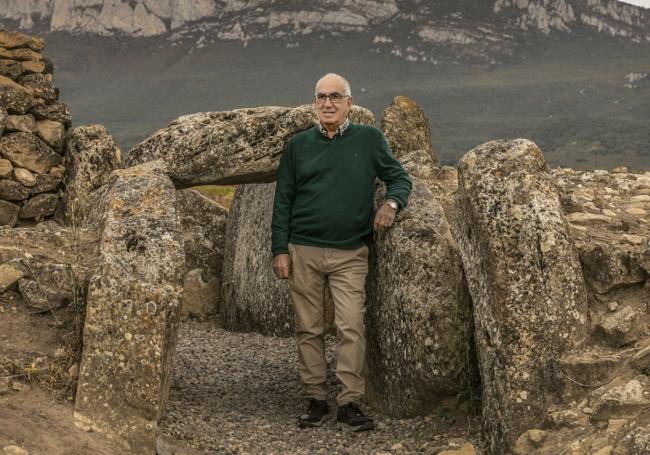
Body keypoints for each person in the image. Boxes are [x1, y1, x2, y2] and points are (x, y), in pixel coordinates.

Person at [271, 73, 411, 432]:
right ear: (314, 103)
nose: (328, 103)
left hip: (350, 251)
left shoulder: (369, 140)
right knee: (309, 328)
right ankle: (316, 398)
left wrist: (392, 205)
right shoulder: (298, 145)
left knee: (351, 325)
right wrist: (279, 249)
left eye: (335, 96)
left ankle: (349, 401)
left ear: (350, 102)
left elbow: (399, 177)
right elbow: (283, 198)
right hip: (303, 249)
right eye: (321, 97)